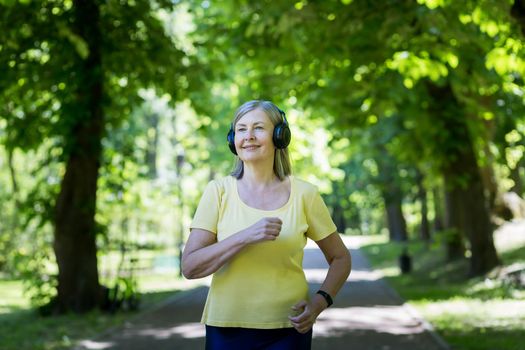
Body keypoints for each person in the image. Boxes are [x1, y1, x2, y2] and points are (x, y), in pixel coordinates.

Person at [182, 100, 351, 350]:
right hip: (227, 329)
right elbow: (190, 267)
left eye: (258, 128)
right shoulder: (217, 192)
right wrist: (245, 236)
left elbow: (340, 258)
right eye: (241, 129)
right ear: (232, 139)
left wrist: (319, 303)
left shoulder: (305, 194)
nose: (248, 136)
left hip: (289, 329)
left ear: (280, 136)